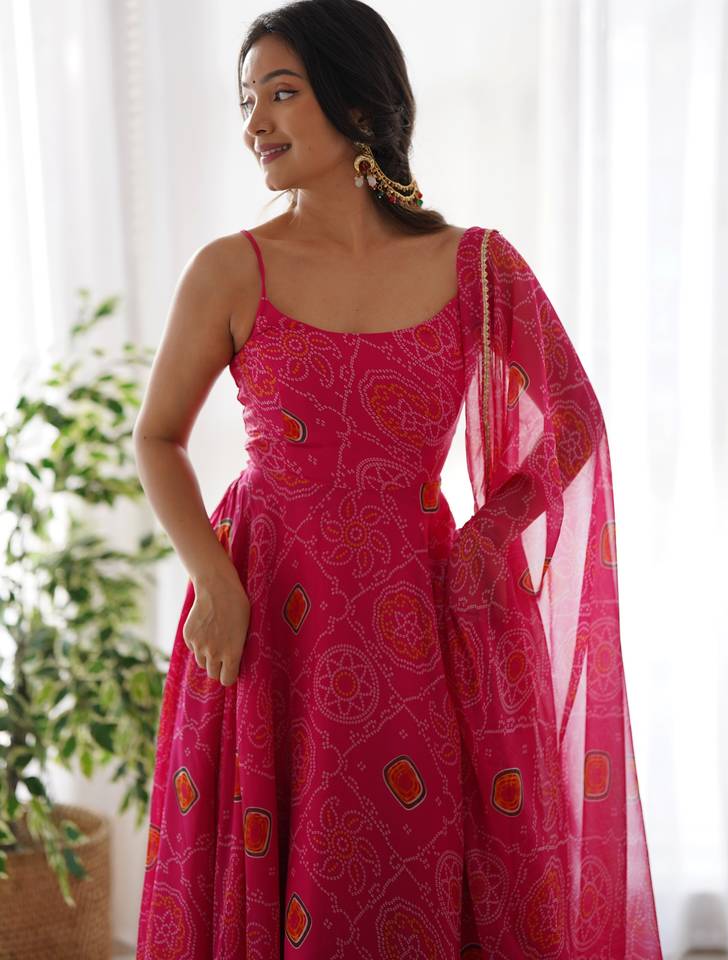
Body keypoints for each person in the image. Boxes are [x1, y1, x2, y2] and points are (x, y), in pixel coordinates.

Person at [133, 1, 663, 957]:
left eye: (280, 94)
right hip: (268, 606)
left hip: (416, 615)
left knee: (410, 861)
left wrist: (488, 537)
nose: (254, 123)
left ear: (359, 105)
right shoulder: (231, 270)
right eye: (246, 101)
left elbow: (575, 421)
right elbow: (158, 438)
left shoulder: (476, 267)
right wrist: (214, 579)